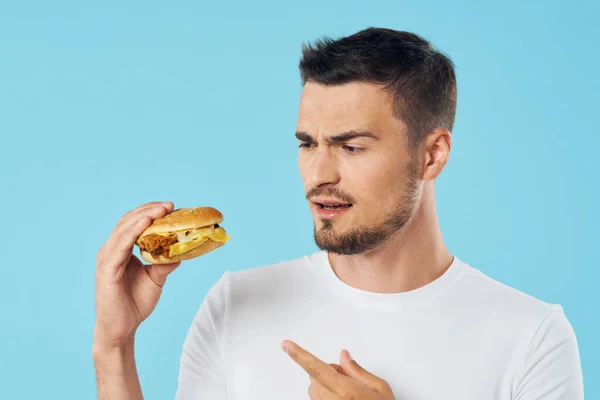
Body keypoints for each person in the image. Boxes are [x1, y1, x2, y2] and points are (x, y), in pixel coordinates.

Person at [93, 27, 584, 399]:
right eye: (308, 144)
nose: (318, 174)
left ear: (431, 155)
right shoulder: (233, 304)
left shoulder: (531, 336)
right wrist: (115, 346)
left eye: (351, 147)